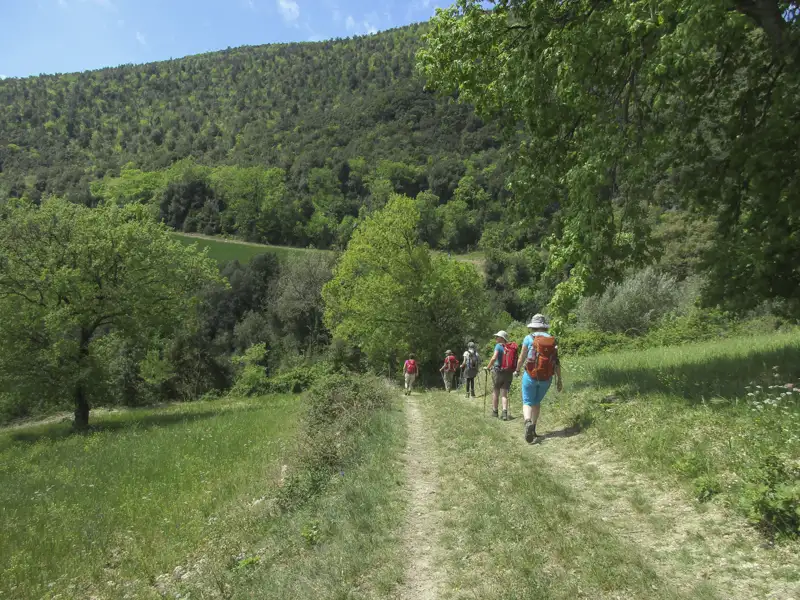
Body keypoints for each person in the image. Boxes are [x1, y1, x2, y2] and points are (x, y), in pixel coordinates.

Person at [515, 314, 563, 443]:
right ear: (544, 326)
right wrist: (559, 379)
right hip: (546, 378)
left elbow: (522, 357)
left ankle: (527, 422)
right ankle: (534, 429)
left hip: (530, 375)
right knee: (536, 402)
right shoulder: (552, 340)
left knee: (527, 401)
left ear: (533, 326)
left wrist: (517, 370)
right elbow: (556, 361)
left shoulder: (528, 338)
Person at [485, 330, 516, 420]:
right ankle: (504, 413)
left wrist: (488, 367)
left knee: (496, 391)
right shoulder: (510, 347)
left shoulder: (498, 346)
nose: (496, 338)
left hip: (498, 372)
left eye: (497, 337)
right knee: (504, 393)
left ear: (502, 338)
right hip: (508, 372)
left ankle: (495, 412)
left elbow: (494, 357)